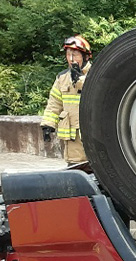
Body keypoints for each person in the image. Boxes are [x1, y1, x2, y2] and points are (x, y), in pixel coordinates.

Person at [40, 35, 92, 165]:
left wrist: (80, 80)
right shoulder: (62, 78)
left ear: (86, 57)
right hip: (72, 137)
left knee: (97, 169)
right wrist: (48, 124)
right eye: (68, 55)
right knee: (76, 168)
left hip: (93, 134)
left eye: (75, 55)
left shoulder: (96, 74)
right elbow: (54, 104)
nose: (71, 59)